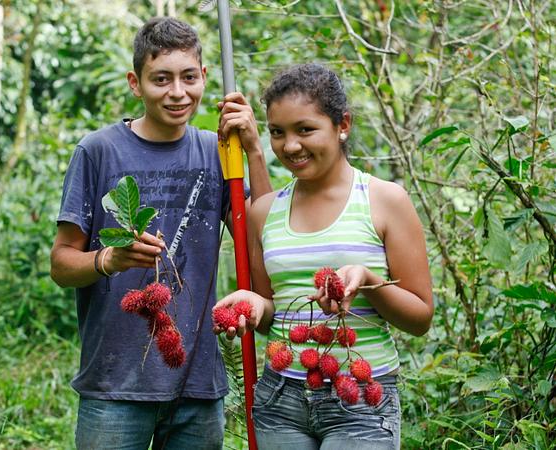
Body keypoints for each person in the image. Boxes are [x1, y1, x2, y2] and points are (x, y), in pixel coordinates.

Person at [50, 17, 271, 450]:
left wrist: (254, 150)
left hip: (198, 384)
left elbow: (262, 233)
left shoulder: (217, 149)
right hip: (113, 385)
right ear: (136, 83)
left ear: (204, 77)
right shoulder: (98, 151)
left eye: (189, 77)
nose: (177, 92)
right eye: (161, 79)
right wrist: (106, 260)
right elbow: (61, 264)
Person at [214, 63, 434, 449]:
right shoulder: (264, 211)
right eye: (277, 133)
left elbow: (420, 318)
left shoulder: (384, 201)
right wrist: (253, 305)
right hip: (280, 400)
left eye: (305, 129)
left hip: (362, 400)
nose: (291, 146)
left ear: (342, 125)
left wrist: (368, 280)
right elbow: (271, 314)